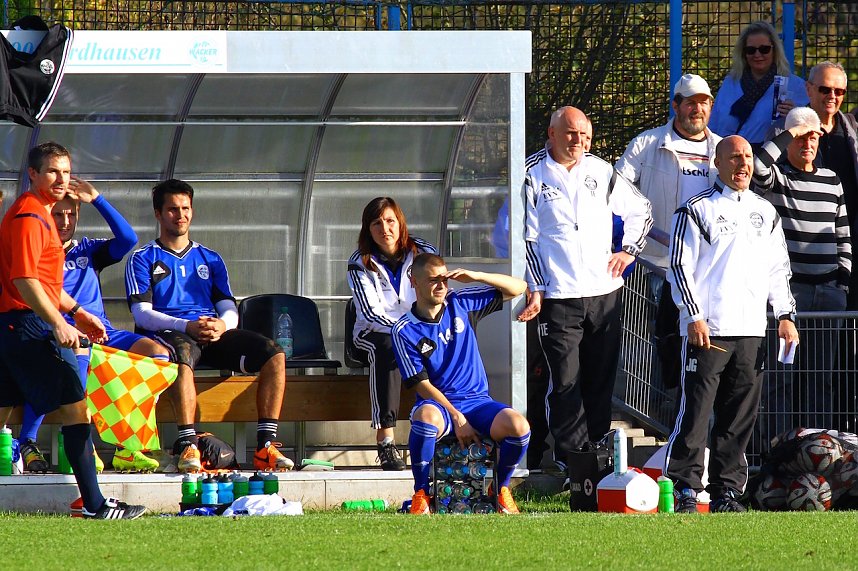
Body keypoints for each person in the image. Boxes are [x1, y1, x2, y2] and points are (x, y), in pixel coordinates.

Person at [0, 141, 146, 519]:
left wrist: (77, 311)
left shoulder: (42, 214)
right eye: (52, 171)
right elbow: (25, 281)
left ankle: (92, 500)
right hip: (27, 324)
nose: (61, 179)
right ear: (32, 174)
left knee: (27, 407)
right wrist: (57, 322)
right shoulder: (30, 217)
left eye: (65, 171)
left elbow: (46, 283)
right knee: (75, 409)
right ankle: (94, 504)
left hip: (22, 323)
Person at [665, 135, 799, 513]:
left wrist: (785, 316)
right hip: (709, 329)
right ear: (717, 163)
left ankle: (726, 492)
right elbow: (679, 267)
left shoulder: (765, 211)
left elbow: (778, 269)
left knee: (738, 418)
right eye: (735, 157)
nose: (743, 164)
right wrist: (693, 315)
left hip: (752, 330)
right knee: (695, 414)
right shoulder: (696, 210)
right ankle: (685, 490)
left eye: (747, 157)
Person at [125, 178, 291, 473]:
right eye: (173, 209)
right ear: (158, 214)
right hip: (171, 333)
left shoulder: (210, 258)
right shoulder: (142, 258)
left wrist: (222, 326)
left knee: (274, 353)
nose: (181, 215)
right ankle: (188, 442)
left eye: (186, 208)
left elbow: (227, 304)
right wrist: (186, 325)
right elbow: (141, 313)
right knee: (181, 356)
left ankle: (266, 446)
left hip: (209, 332)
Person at [518, 106, 653, 466]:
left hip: (603, 293)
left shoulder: (601, 170)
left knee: (599, 377)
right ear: (552, 133)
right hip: (558, 296)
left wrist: (629, 252)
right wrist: (538, 286)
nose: (579, 142)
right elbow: (526, 238)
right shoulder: (530, 173)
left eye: (586, 136)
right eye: (572, 134)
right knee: (564, 380)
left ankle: (595, 450)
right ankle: (570, 456)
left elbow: (642, 209)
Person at [17, 180, 171, 473]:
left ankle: (128, 445)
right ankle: (32, 442)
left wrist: (97, 199)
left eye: (71, 215)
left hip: (104, 332)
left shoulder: (88, 250)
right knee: (75, 358)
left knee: (157, 355)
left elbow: (127, 240)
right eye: (58, 215)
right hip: (62, 333)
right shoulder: (37, 252)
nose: (64, 221)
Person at [391, 253, 530, 514]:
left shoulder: (461, 302)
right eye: (433, 280)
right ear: (414, 282)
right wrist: (456, 416)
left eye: (444, 279)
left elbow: (519, 288)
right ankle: (422, 493)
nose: (441, 286)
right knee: (425, 416)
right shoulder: (403, 330)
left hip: (478, 403)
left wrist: (476, 276)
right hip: (440, 408)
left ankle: (500, 488)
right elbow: (422, 385)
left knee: (519, 427)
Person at [754, 107, 851, 433]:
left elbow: (843, 234)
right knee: (782, 378)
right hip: (788, 298)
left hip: (828, 294)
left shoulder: (831, 180)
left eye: (813, 136)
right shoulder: (777, 179)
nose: (808, 142)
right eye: (801, 137)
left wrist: (842, 282)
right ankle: (779, 449)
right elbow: (757, 166)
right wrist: (789, 131)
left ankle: (815, 448)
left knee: (819, 380)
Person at [347, 197, 437, 470]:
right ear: (367, 228)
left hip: (419, 331)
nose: (384, 228)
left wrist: (424, 333)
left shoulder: (423, 251)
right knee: (387, 347)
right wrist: (407, 335)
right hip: (372, 333)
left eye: (390, 221)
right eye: (376, 223)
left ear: (400, 223)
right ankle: (386, 441)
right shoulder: (359, 262)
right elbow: (370, 313)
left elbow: (440, 295)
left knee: (445, 349)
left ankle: (444, 436)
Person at [616, 73, 721, 268]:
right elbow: (615, 192)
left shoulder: (724, 149)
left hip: (707, 265)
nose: (698, 109)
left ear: (711, 106)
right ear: (675, 105)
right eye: (691, 102)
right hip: (657, 263)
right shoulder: (645, 143)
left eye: (704, 103)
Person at [709, 21, 809, 147]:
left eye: (764, 49)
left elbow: (810, 128)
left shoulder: (795, 86)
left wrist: (795, 116)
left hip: (767, 159)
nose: (757, 55)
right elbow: (713, 125)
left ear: (775, 50)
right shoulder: (731, 83)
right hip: (728, 156)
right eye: (751, 50)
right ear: (743, 53)